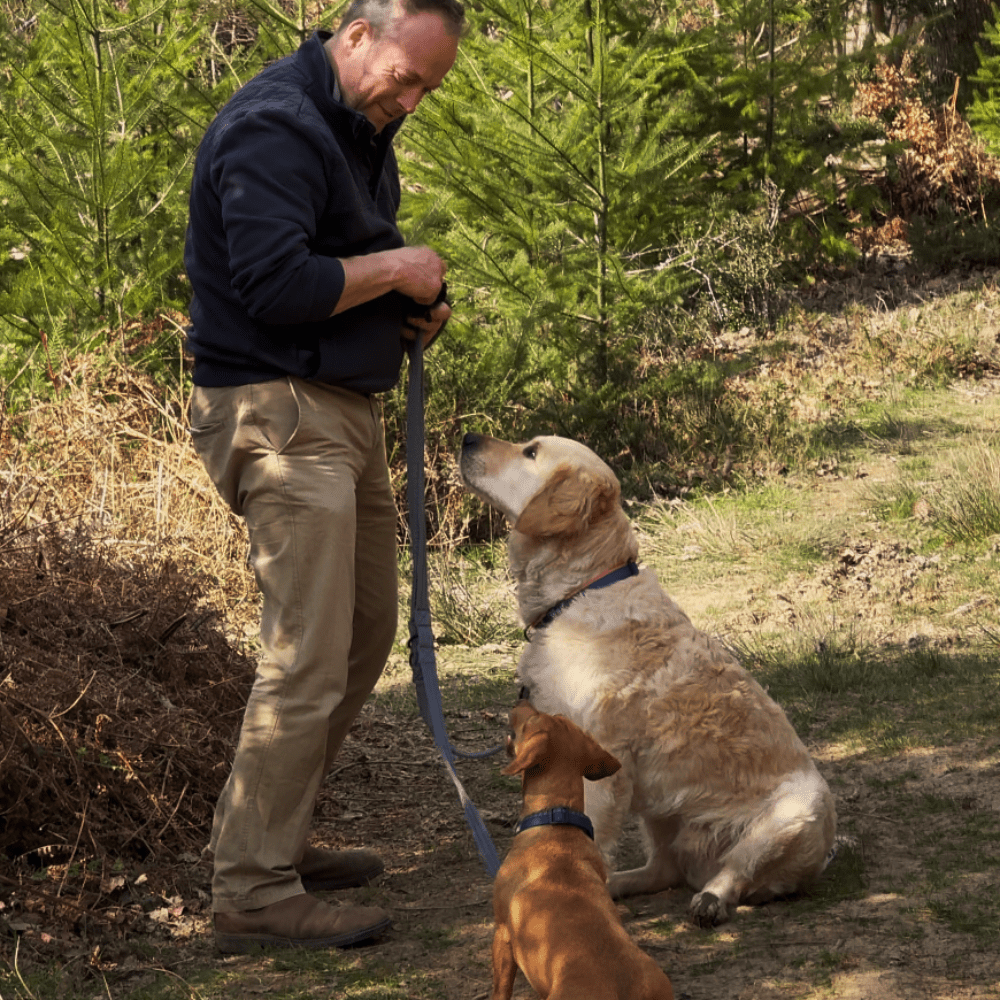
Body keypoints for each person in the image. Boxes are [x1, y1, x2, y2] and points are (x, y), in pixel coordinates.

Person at [183, 0, 464, 953]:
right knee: (305, 653)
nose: (412, 100)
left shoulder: (355, 125)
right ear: (357, 36)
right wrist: (396, 270)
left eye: (428, 88)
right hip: (278, 413)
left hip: (338, 408)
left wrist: (413, 307)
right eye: (408, 77)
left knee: (362, 633)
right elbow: (274, 285)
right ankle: (252, 892)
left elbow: (340, 264)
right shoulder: (275, 126)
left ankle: (274, 839)